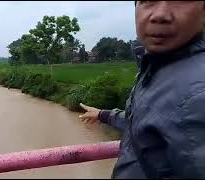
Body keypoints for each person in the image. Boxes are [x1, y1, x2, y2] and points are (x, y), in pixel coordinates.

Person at [79, 1, 205, 179]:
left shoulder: (198, 96)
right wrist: (103, 114)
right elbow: (144, 121)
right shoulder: (155, 70)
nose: (160, 14)